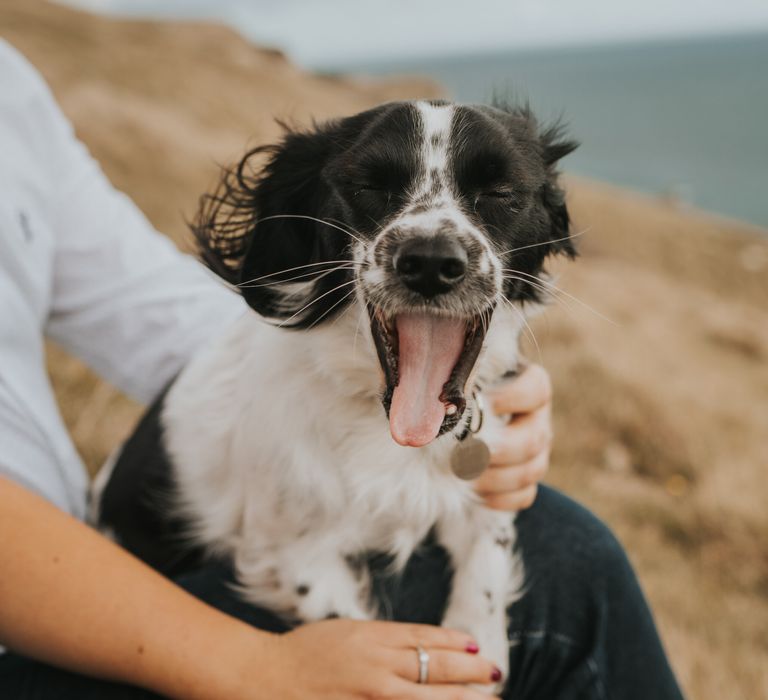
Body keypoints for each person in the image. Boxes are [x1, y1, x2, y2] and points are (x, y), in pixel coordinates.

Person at [0, 39, 685, 699]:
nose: (435, 245)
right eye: (373, 188)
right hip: (122, 595)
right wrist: (253, 666)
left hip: (71, 569)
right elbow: (283, 558)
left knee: (566, 541)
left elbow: (142, 302)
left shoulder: (15, 95)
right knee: (573, 569)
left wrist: (484, 395)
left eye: (497, 197)